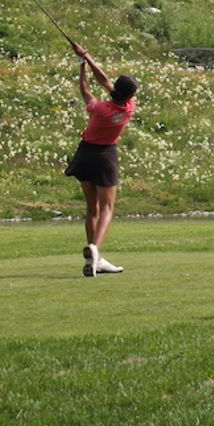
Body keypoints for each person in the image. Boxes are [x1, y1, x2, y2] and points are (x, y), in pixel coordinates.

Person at [64, 42, 138, 277]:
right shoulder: (128, 107)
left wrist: (83, 62)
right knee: (107, 208)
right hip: (105, 156)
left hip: (85, 154)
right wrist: (86, 57)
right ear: (130, 95)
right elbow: (105, 80)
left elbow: (87, 87)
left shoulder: (99, 108)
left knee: (92, 208)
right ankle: (95, 248)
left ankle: (94, 259)